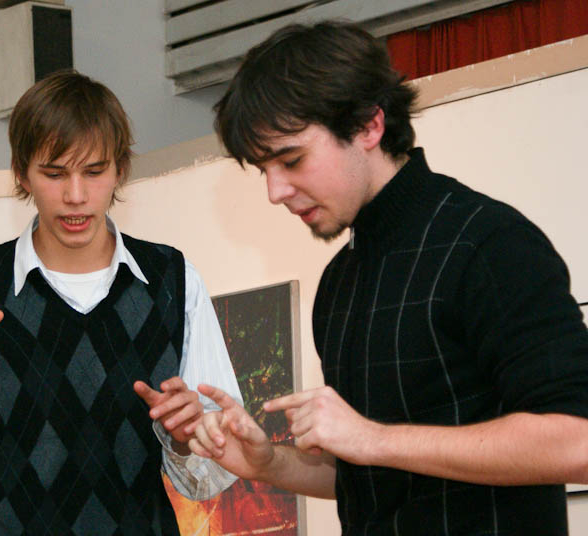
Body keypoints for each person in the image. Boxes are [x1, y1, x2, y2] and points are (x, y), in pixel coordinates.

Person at [186, 21, 588, 535]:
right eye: (264, 169)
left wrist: (372, 438)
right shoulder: (340, 281)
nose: (275, 191)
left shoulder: (488, 243)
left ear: (369, 127)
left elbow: (576, 440)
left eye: (291, 159)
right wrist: (267, 464)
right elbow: (368, 475)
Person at [0, 70, 242, 535]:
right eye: (54, 174)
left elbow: (214, 475)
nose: (75, 196)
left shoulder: (173, 282)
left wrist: (184, 439)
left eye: (94, 172)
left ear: (120, 170)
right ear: (22, 173)